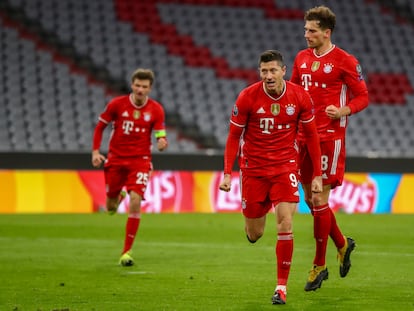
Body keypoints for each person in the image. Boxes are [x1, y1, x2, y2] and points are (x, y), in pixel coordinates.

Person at [219, 50, 323, 305]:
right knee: (254, 233)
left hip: (285, 167)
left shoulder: (299, 96)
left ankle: (281, 287)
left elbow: (311, 136)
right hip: (253, 169)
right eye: (264, 71)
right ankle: (258, 215)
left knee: (285, 223)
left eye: (273, 70)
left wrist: (317, 175)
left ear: (283, 71)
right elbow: (233, 137)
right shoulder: (247, 96)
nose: (268, 76)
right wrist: (227, 173)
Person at [290, 5, 369, 291]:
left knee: (318, 198)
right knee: (311, 202)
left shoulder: (345, 61)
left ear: (326, 32)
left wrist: (344, 110)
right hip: (303, 138)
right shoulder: (301, 58)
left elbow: (363, 96)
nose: (306, 34)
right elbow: (294, 93)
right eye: (305, 30)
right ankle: (342, 243)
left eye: (311, 30)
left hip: (329, 139)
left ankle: (318, 266)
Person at [91, 68, 168, 266]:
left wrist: (162, 142)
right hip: (116, 159)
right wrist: (95, 151)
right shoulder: (117, 104)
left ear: (150, 88)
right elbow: (100, 127)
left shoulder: (156, 109)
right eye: (137, 85)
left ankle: (126, 251)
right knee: (110, 207)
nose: (140, 89)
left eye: (144, 86)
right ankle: (117, 197)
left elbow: (160, 133)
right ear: (132, 85)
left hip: (140, 161)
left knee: (136, 201)